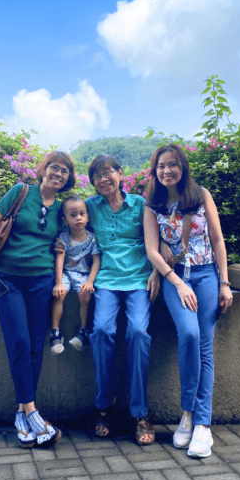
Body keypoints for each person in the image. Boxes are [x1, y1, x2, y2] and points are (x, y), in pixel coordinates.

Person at [0, 151, 76, 449]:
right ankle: (33, 413)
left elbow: (68, 242)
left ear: (68, 179)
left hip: (41, 281)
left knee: (34, 344)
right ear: (43, 170)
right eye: (54, 167)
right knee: (18, 340)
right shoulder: (20, 192)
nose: (58, 173)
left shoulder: (62, 209)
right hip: (7, 278)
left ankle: (21, 416)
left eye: (65, 171)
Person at [142, 144, 233, 459]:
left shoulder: (201, 196)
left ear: (183, 167)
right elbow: (152, 250)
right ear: (155, 171)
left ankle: (202, 424)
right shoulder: (152, 204)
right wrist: (176, 282)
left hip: (207, 275)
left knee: (204, 344)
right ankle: (187, 413)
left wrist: (224, 282)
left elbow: (218, 240)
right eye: (161, 166)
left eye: (173, 165)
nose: (167, 171)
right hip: (175, 278)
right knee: (189, 335)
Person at [85, 154, 159, 445]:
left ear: (120, 173)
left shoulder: (140, 204)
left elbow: (157, 241)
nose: (103, 179)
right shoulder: (90, 206)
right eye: (97, 176)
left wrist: (156, 272)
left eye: (108, 172)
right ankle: (103, 406)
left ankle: (140, 412)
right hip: (106, 280)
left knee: (138, 334)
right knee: (101, 331)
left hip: (139, 280)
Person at [50, 196, 101, 353]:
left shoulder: (92, 239)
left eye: (82, 214)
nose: (78, 218)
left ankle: (83, 332)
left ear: (87, 216)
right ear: (65, 220)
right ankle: (55, 333)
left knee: (84, 295)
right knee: (59, 295)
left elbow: (97, 261)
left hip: (83, 274)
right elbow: (59, 260)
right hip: (66, 273)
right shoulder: (63, 238)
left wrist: (90, 282)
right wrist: (59, 283)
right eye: (73, 215)